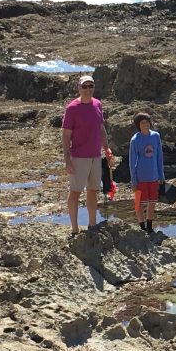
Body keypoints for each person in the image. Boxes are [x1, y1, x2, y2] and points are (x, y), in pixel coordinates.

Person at [61, 75, 110, 236]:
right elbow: (66, 135)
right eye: (85, 86)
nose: (88, 89)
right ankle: (74, 228)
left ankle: (92, 223)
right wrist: (67, 160)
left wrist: (107, 149)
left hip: (95, 156)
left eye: (90, 86)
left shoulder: (98, 104)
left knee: (93, 190)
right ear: (79, 88)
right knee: (75, 192)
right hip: (78, 157)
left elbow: (101, 128)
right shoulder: (72, 108)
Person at [128, 112, 164, 233]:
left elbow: (159, 156)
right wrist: (134, 180)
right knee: (139, 204)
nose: (145, 125)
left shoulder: (156, 136)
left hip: (154, 176)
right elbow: (132, 161)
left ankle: (149, 226)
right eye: (142, 123)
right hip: (141, 177)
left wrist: (161, 175)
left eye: (147, 122)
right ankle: (142, 227)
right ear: (138, 125)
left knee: (152, 202)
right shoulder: (135, 139)